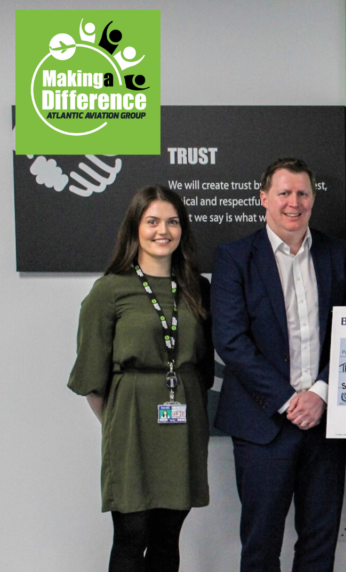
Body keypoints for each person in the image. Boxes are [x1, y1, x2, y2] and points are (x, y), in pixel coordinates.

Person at [212, 157, 346, 572]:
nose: (293, 202)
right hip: (263, 426)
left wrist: (320, 394)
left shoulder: (336, 253)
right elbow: (231, 341)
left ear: (313, 199)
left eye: (302, 193)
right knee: (260, 546)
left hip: (324, 424)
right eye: (284, 193)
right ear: (264, 199)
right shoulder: (234, 257)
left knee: (319, 543)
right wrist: (288, 400)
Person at [69, 185, 213, 572]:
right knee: (132, 536)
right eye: (152, 221)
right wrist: (122, 424)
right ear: (135, 228)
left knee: (168, 538)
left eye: (172, 221)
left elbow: (203, 368)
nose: (162, 230)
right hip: (130, 427)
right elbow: (92, 382)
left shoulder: (198, 289)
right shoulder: (109, 290)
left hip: (182, 426)